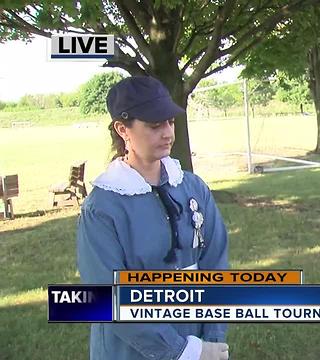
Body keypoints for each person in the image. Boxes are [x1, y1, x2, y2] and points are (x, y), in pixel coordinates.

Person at [77, 76, 229, 360]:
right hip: (129, 351)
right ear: (123, 129)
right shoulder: (102, 207)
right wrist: (181, 351)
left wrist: (212, 339)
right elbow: (111, 297)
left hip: (198, 340)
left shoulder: (193, 188)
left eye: (170, 122)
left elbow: (215, 263)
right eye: (155, 125)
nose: (168, 133)